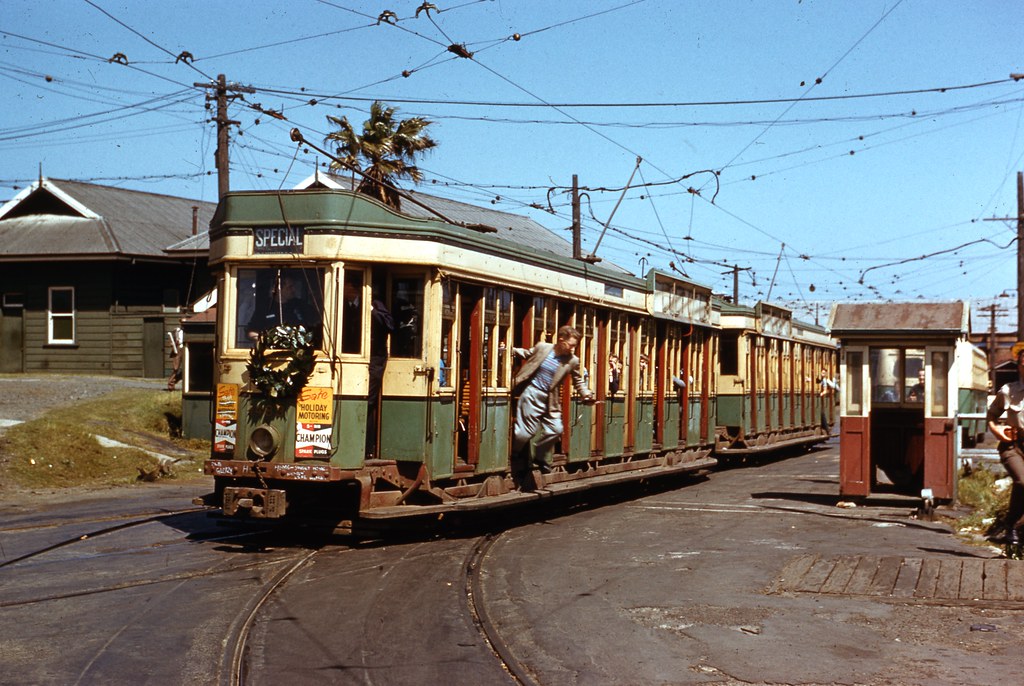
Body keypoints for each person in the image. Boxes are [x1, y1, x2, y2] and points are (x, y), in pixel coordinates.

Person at [512, 325, 594, 476]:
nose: (572, 349)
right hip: (532, 393)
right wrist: (510, 349)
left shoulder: (573, 360)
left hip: (551, 399)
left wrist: (586, 394)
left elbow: (578, 380)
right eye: (571, 345)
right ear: (561, 340)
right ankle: (515, 452)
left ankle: (539, 454)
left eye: (574, 346)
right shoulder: (543, 347)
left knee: (556, 429)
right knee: (525, 432)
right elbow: (528, 353)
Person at [987, 342, 1024, 558]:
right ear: (1018, 366)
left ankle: (1016, 528)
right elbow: (991, 416)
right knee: (1022, 481)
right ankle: (1010, 524)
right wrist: (997, 431)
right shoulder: (1008, 391)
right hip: (1013, 446)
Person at [246, 272, 321, 346]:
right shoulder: (266, 308)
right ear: (278, 289)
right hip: (271, 352)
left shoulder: (301, 306)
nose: (293, 290)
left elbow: (317, 324)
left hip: (298, 351)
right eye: (290, 287)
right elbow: (251, 332)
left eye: (293, 286)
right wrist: (266, 339)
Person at [365, 284, 394, 458]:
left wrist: (372, 312)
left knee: (368, 402)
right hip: (360, 363)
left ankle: (368, 447)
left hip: (375, 361)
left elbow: (390, 325)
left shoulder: (376, 306)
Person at [166, 320, 184, 391]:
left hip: (186, 348)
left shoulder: (189, 331)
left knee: (187, 367)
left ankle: (175, 381)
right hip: (178, 349)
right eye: (182, 322)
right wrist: (171, 344)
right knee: (176, 368)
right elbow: (170, 340)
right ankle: (171, 384)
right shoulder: (176, 331)